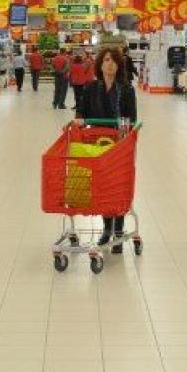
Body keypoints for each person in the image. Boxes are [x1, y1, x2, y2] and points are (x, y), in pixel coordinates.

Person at [76, 46, 138, 253]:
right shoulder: (91, 88)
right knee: (103, 185)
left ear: (119, 65)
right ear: (100, 64)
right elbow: (81, 111)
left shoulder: (127, 89)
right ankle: (106, 228)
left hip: (120, 144)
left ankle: (118, 231)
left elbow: (132, 117)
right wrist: (79, 120)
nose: (109, 64)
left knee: (118, 185)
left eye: (113, 60)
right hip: (97, 144)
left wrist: (128, 129)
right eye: (106, 60)